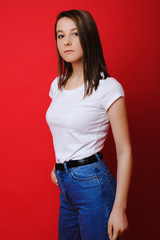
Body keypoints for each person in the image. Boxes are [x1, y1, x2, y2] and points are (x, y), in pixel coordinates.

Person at [46, 9, 132, 240]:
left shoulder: (108, 88)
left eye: (75, 33)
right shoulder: (58, 85)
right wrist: (60, 165)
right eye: (60, 35)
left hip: (92, 184)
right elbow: (65, 128)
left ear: (88, 36)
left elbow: (124, 150)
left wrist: (119, 208)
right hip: (66, 186)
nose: (66, 42)